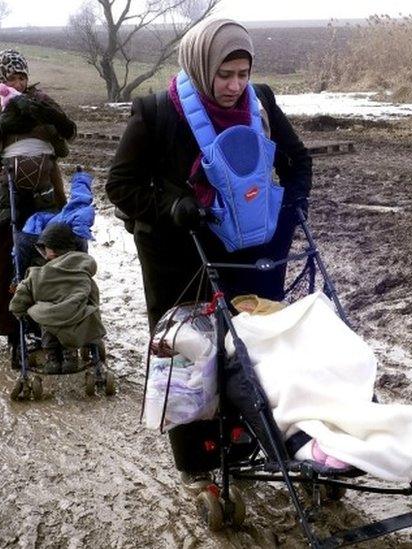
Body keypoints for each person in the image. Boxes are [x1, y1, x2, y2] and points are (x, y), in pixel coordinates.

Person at [105, 18, 312, 486]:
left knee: (250, 349)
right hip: (180, 252)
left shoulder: (260, 103)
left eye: (242, 73)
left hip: (249, 250)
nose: (235, 86)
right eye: (225, 75)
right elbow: (121, 184)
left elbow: (297, 161)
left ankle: (243, 441)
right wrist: (173, 206)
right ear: (201, 66)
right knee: (193, 353)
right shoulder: (157, 113)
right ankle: (198, 465)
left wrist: (289, 213)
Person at [0, 49, 77, 366]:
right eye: (11, 77)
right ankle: (14, 328)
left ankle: (54, 323)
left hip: (45, 181)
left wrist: (53, 118)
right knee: (7, 253)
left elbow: (68, 133)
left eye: (22, 76)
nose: (18, 82)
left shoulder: (39, 98)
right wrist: (2, 124)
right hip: (4, 185)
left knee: (51, 249)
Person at [8, 222, 105, 373]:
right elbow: (93, 296)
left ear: (51, 251)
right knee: (75, 323)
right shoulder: (82, 271)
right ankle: (70, 355)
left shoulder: (38, 274)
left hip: (49, 318)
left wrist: (19, 311)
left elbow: (22, 294)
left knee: (46, 320)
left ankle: (52, 357)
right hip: (76, 318)